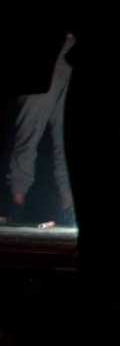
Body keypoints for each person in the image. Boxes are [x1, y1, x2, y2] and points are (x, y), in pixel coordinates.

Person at [4, 33, 76, 228]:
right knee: (28, 133)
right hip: (49, 53)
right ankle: (16, 203)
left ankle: (69, 207)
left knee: (65, 140)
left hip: (71, 53)